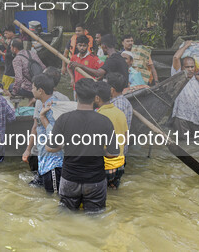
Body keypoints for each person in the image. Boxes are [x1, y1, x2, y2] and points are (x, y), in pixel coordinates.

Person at [46, 78, 119, 212]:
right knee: (95, 219)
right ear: (95, 97)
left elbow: (50, 148)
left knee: (65, 217)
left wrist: (63, 146)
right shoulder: (105, 121)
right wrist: (100, 151)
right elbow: (114, 154)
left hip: (70, 178)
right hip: (95, 180)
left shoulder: (64, 119)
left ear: (76, 95)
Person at [23, 74, 64, 193]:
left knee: (53, 197)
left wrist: (43, 117)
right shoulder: (41, 103)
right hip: (44, 160)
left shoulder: (54, 108)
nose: (31, 90)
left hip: (53, 163)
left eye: (33, 88)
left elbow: (57, 137)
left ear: (40, 90)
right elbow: (36, 127)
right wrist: (28, 149)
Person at [168, 42, 199, 137]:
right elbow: (176, 58)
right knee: (183, 144)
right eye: (187, 67)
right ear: (182, 67)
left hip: (197, 118)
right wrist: (186, 45)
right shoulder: (178, 76)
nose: (190, 69)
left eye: (192, 67)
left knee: (197, 145)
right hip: (181, 117)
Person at [94, 81, 127, 189]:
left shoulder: (98, 115)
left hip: (105, 166)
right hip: (119, 166)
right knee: (114, 193)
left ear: (97, 98)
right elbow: (126, 139)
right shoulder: (120, 113)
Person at [0, 26, 17, 90]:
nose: (5, 35)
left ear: (11, 32)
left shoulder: (15, 41)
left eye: (6, 33)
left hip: (10, 69)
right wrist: (4, 43)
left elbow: (12, 54)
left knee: (6, 89)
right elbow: (9, 50)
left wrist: (2, 53)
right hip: (9, 67)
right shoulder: (12, 41)